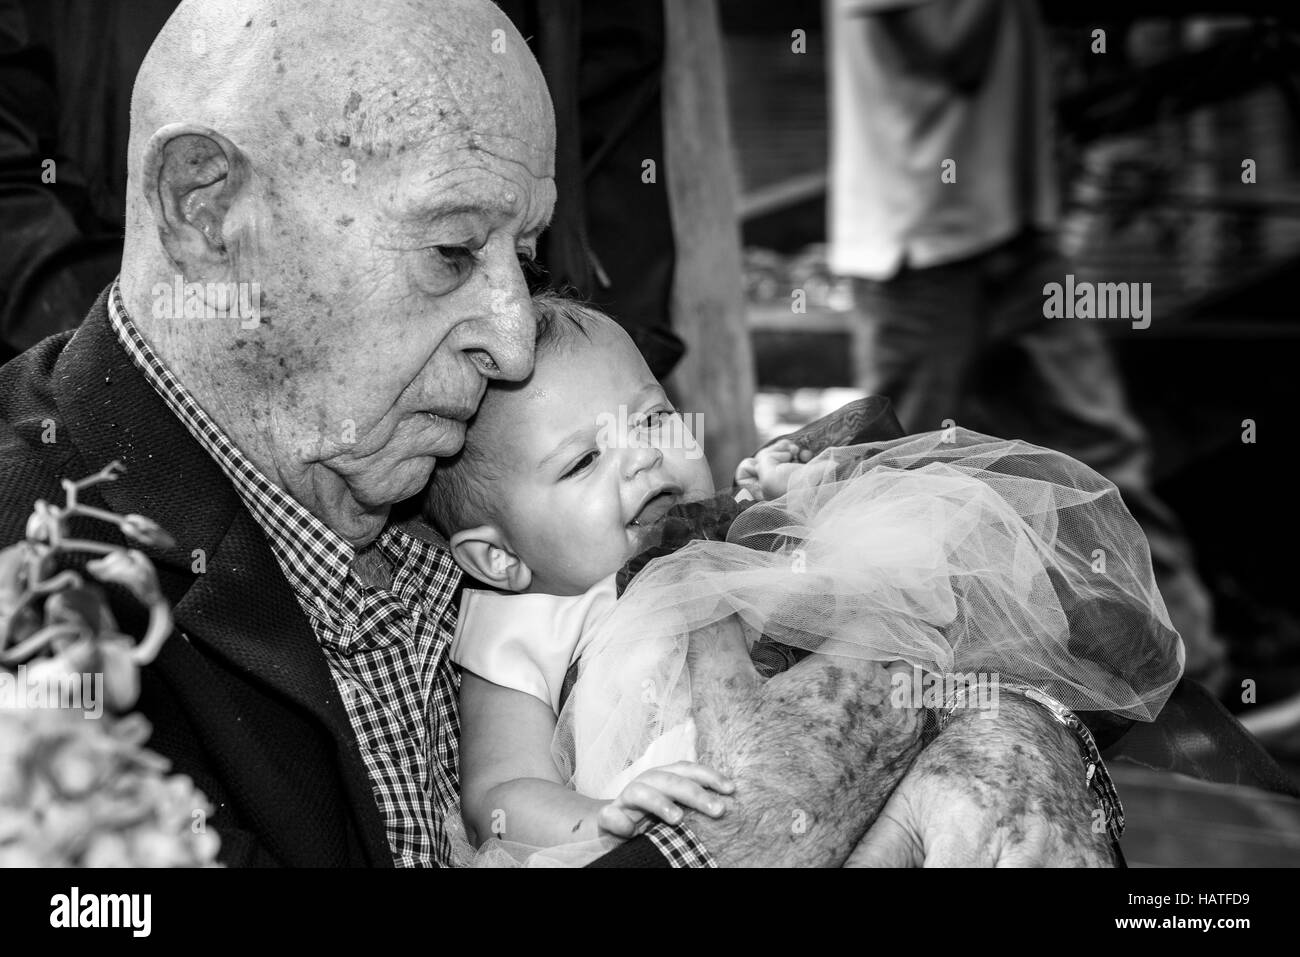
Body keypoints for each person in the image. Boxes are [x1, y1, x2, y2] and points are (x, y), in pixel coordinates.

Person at [0, 0, 1122, 867]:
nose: (513, 336)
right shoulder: (38, 616)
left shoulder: (432, 451)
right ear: (207, 208)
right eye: (449, 251)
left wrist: (1018, 747)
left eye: (521, 258)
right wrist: (731, 842)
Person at [429, 295, 1182, 866]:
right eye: (582, 461)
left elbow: (842, 610)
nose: (641, 457)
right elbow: (496, 793)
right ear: (499, 556)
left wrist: (797, 508)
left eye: (652, 420)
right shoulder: (521, 618)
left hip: (854, 785)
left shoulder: (714, 535)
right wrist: (600, 816)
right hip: (691, 823)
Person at [825, 0, 1225, 690]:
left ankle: (1202, 703)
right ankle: (900, 717)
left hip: (1020, 236)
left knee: (1105, 467)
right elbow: (949, 49)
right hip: (919, 253)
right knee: (904, 501)